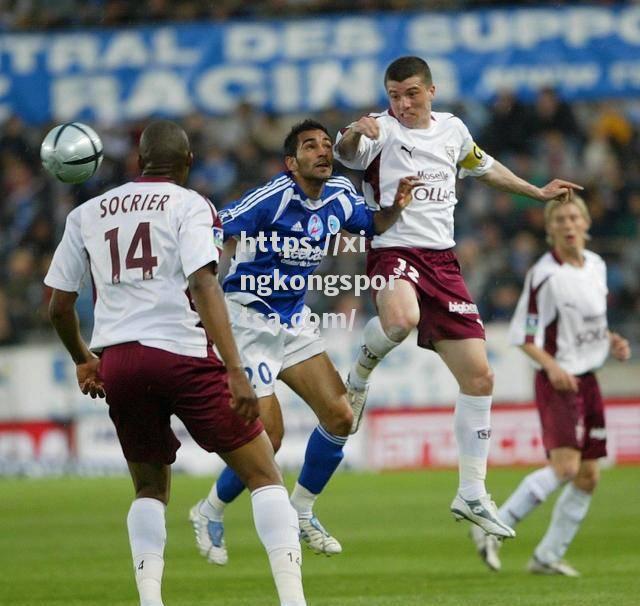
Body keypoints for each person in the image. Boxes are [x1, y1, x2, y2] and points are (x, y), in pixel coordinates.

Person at [44, 120, 307, 606]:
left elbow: (59, 306)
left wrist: (84, 359)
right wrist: (233, 368)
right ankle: (293, 600)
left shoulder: (86, 213)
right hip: (181, 354)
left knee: (148, 488)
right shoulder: (191, 204)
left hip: (120, 361)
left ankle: (150, 600)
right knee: (264, 474)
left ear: (136, 161)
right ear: (187, 163)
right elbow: (204, 284)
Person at [334, 55, 582, 538]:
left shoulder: (453, 131)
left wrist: (536, 191)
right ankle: (359, 375)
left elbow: (483, 167)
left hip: (443, 264)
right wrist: (354, 133)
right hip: (393, 249)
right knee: (400, 320)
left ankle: (471, 492)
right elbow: (345, 151)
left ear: (432, 91)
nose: (401, 104)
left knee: (480, 376)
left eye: (410, 94)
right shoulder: (376, 131)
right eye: (393, 95)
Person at [190, 119, 419, 563]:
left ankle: (302, 510)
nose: (323, 151)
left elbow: (370, 224)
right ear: (291, 163)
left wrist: (396, 206)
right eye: (310, 146)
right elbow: (218, 226)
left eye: (326, 145)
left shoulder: (340, 195)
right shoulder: (271, 198)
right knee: (269, 438)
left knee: (340, 415)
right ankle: (208, 511)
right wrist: (203, 276)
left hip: (293, 320)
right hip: (247, 319)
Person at [471, 195, 631, 575]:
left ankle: (546, 556)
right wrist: (553, 367)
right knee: (565, 468)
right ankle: (490, 527)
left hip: (588, 379)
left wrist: (609, 339)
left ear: (587, 224)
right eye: (560, 219)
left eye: (575, 217)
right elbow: (524, 336)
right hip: (557, 381)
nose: (569, 224)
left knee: (589, 476)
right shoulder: (545, 275)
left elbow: (587, 323)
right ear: (550, 230)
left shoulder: (596, 265)